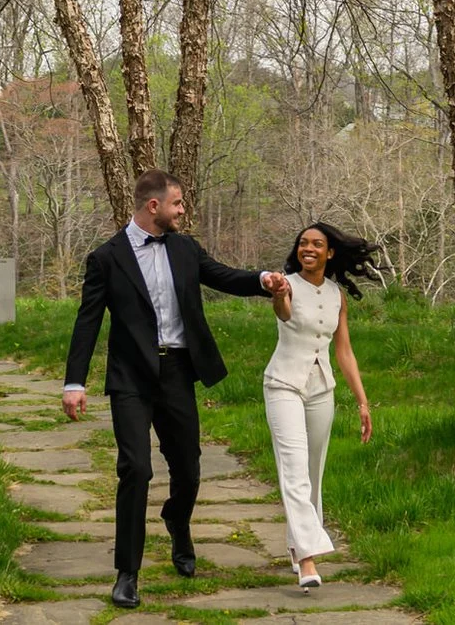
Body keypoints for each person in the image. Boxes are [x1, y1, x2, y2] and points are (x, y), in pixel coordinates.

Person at [62, 170, 290, 611]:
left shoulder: (184, 248)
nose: (183, 210)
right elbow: (87, 321)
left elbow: (223, 276)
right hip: (131, 377)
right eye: (178, 203)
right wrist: (74, 382)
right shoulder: (106, 258)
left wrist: (262, 279)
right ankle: (127, 573)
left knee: (187, 468)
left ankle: (176, 521)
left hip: (178, 372)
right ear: (154, 206)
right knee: (136, 469)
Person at [264, 221, 378, 591]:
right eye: (302, 243)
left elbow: (343, 350)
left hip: (321, 390)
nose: (307, 248)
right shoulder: (287, 285)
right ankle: (308, 560)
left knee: (312, 473)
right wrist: (279, 292)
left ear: (330, 253)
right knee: (293, 469)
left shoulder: (336, 295)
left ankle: (298, 547)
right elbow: (282, 312)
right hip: (283, 384)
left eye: (316, 244)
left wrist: (362, 402)